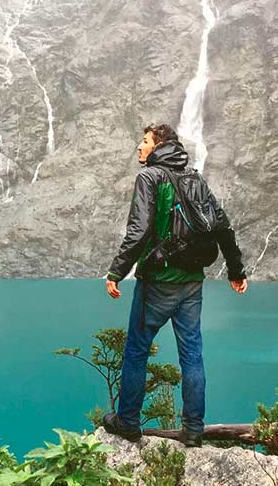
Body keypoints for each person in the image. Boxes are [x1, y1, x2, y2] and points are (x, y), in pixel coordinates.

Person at [102, 123, 248, 447]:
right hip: (192, 284)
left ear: (158, 146)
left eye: (143, 142)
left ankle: (128, 421)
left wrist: (116, 273)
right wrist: (235, 270)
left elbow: (138, 232)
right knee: (192, 355)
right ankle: (193, 430)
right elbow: (222, 225)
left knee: (137, 351)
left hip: (156, 283)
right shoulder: (194, 177)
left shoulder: (149, 177)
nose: (139, 148)